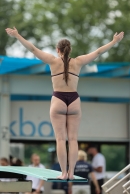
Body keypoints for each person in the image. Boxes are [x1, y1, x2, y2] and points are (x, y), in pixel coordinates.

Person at [5, 27, 124, 180]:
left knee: (60, 139)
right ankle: (72, 173)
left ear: (58, 49)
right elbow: (98, 52)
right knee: (73, 139)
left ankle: (63, 173)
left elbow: (33, 49)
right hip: (74, 100)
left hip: (58, 100)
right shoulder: (78, 61)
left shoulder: (52, 61)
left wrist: (17, 35)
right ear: (70, 49)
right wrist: (114, 42)